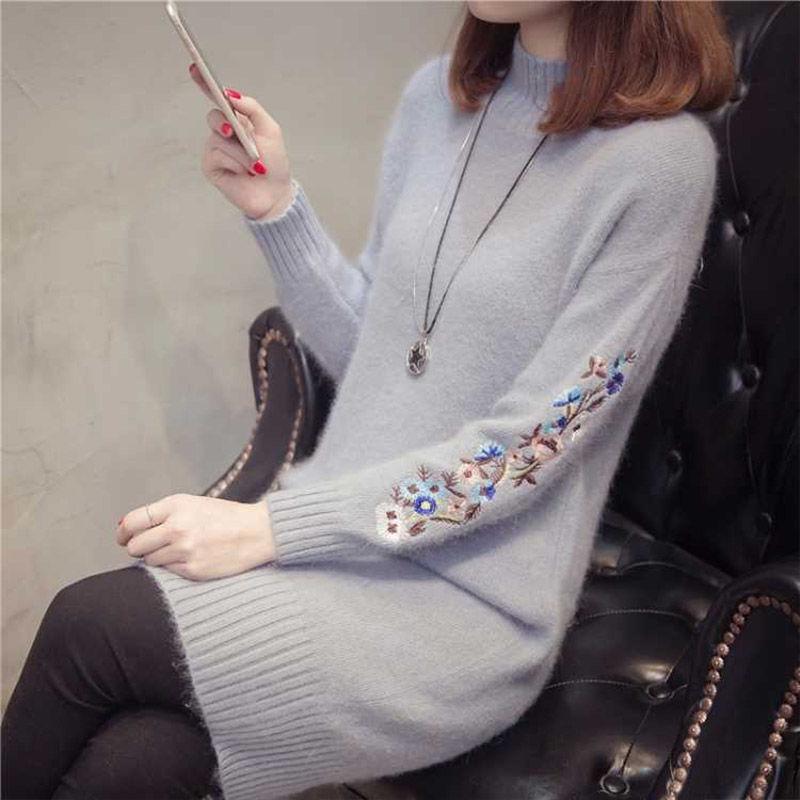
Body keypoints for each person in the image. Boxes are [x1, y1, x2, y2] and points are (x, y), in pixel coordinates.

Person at [1, 2, 735, 798]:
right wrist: (278, 211)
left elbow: (531, 448)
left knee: (90, 624)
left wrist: (272, 529)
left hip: (467, 608)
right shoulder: (436, 102)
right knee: (138, 761)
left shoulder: (661, 166)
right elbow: (380, 359)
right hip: (346, 545)